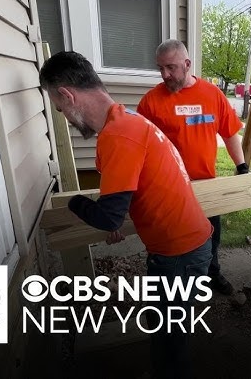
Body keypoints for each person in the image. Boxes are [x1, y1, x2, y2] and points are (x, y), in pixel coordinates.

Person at [39, 51, 212, 378]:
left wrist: (76, 203)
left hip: (179, 253)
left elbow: (108, 219)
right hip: (185, 245)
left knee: (170, 341)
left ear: (67, 94)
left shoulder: (117, 136)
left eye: (60, 109)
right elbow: (134, 191)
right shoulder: (128, 119)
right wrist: (115, 212)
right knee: (166, 326)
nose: (65, 116)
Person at [137, 39, 249, 295]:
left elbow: (230, 133)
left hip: (206, 185)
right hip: (169, 190)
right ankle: (178, 285)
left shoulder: (212, 95)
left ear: (187, 64)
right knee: (174, 242)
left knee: (212, 236)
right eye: (161, 68)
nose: (165, 74)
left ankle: (212, 274)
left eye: (171, 67)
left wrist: (241, 165)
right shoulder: (150, 103)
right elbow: (140, 148)